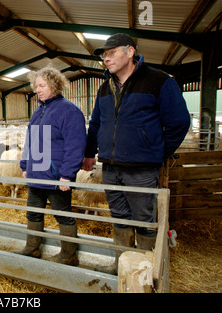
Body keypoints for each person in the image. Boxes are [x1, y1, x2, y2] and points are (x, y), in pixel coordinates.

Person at [82, 33, 190, 262]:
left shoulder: (158, 81)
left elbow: (179, 122)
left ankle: (146, 268)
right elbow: (96, 124)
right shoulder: (104, 88)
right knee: (119, 217)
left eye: (111, 53)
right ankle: (123, 265)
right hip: (110, 166)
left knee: (143, 218)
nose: (106, 59)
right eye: (104, 55)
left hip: (141, 170)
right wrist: (89, 153)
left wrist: (157, 152)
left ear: (130, 52)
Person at [19, 66, 87, 265]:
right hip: (36, 173)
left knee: (62, 215)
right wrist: (25, 166)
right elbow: (29, 141)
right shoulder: (38, 111)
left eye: (42, 85)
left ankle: (68, 255)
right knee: (33, 211)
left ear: (54, 85)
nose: (37, 90)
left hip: (56, 176)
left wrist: (67, 175)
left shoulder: (69, 111)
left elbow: (75, 145)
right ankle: (32, 248)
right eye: (36, 86)